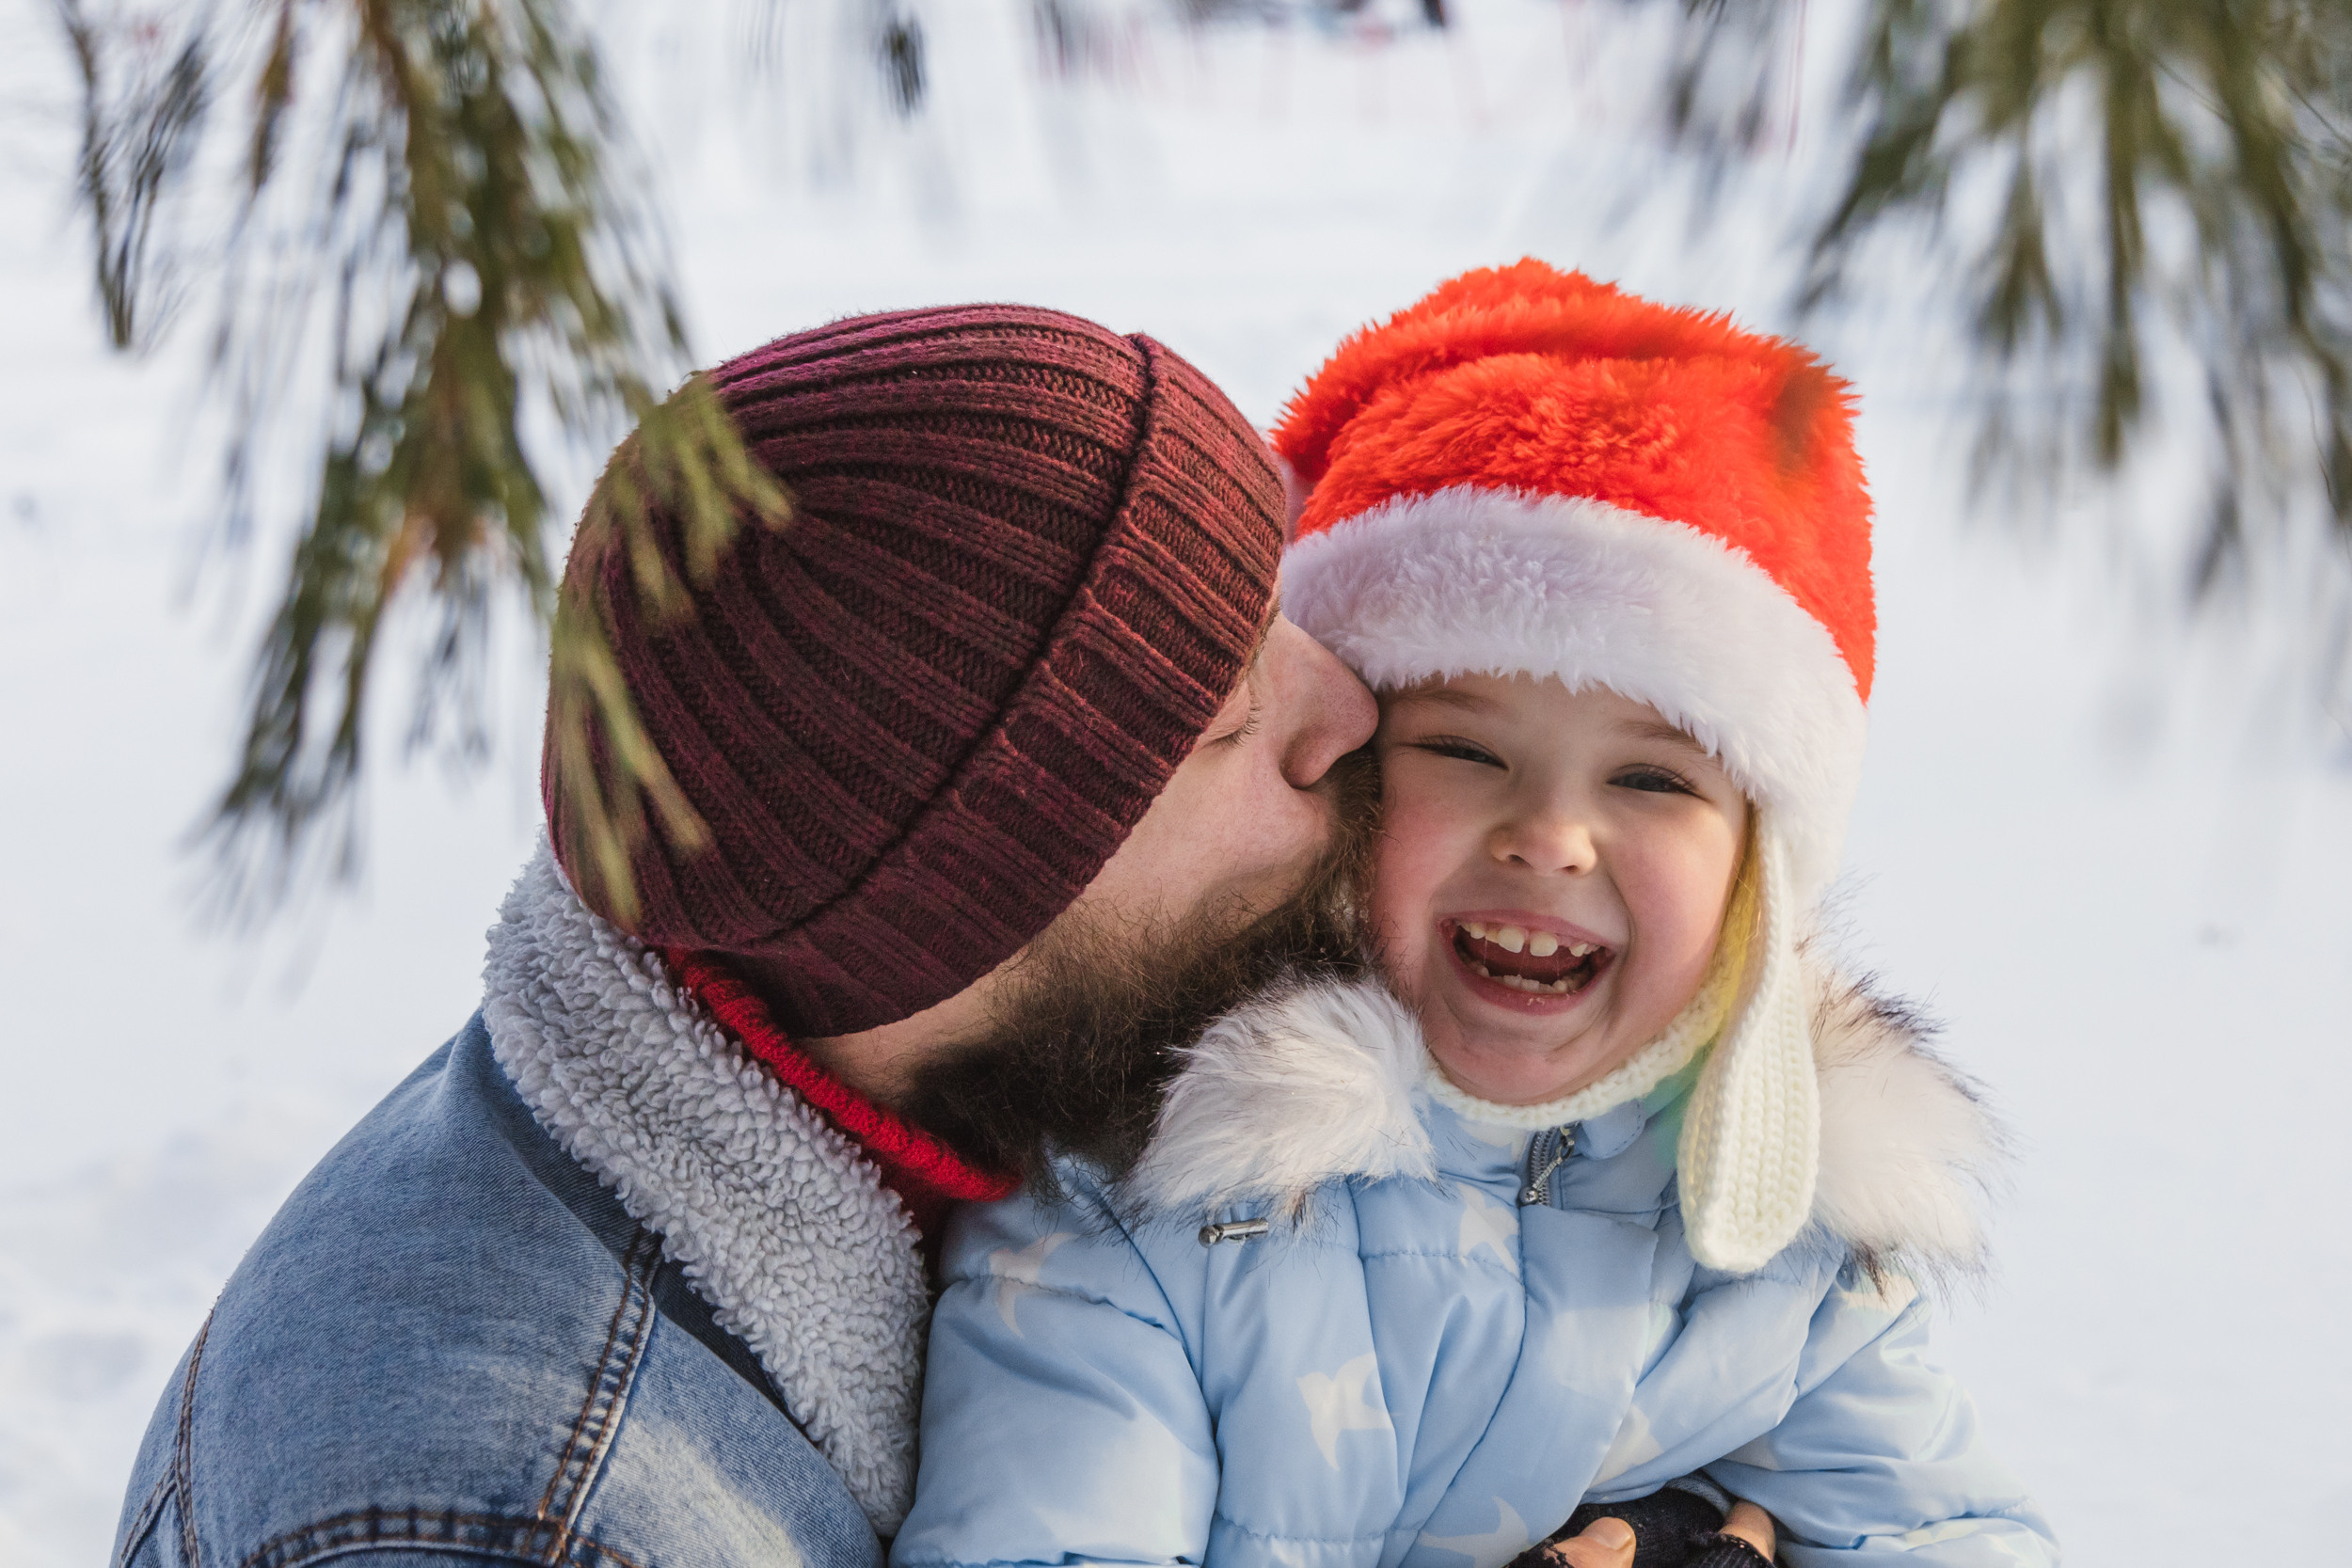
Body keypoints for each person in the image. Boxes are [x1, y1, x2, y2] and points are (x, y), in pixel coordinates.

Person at [109, 303, 1501, 1568]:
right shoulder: (541, 1526)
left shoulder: (946, 1051)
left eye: (1276, 602)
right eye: (1232, 721)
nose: (1348, 705)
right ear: (965, 915)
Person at [891, 264, 2062, 1568]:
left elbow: (1951, 1537)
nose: (1550, 835)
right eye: (1463, 750)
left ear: (1755, 879)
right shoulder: (1150, 1193)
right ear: (1345, 777)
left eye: (1652, 779)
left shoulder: (1782, 1236)